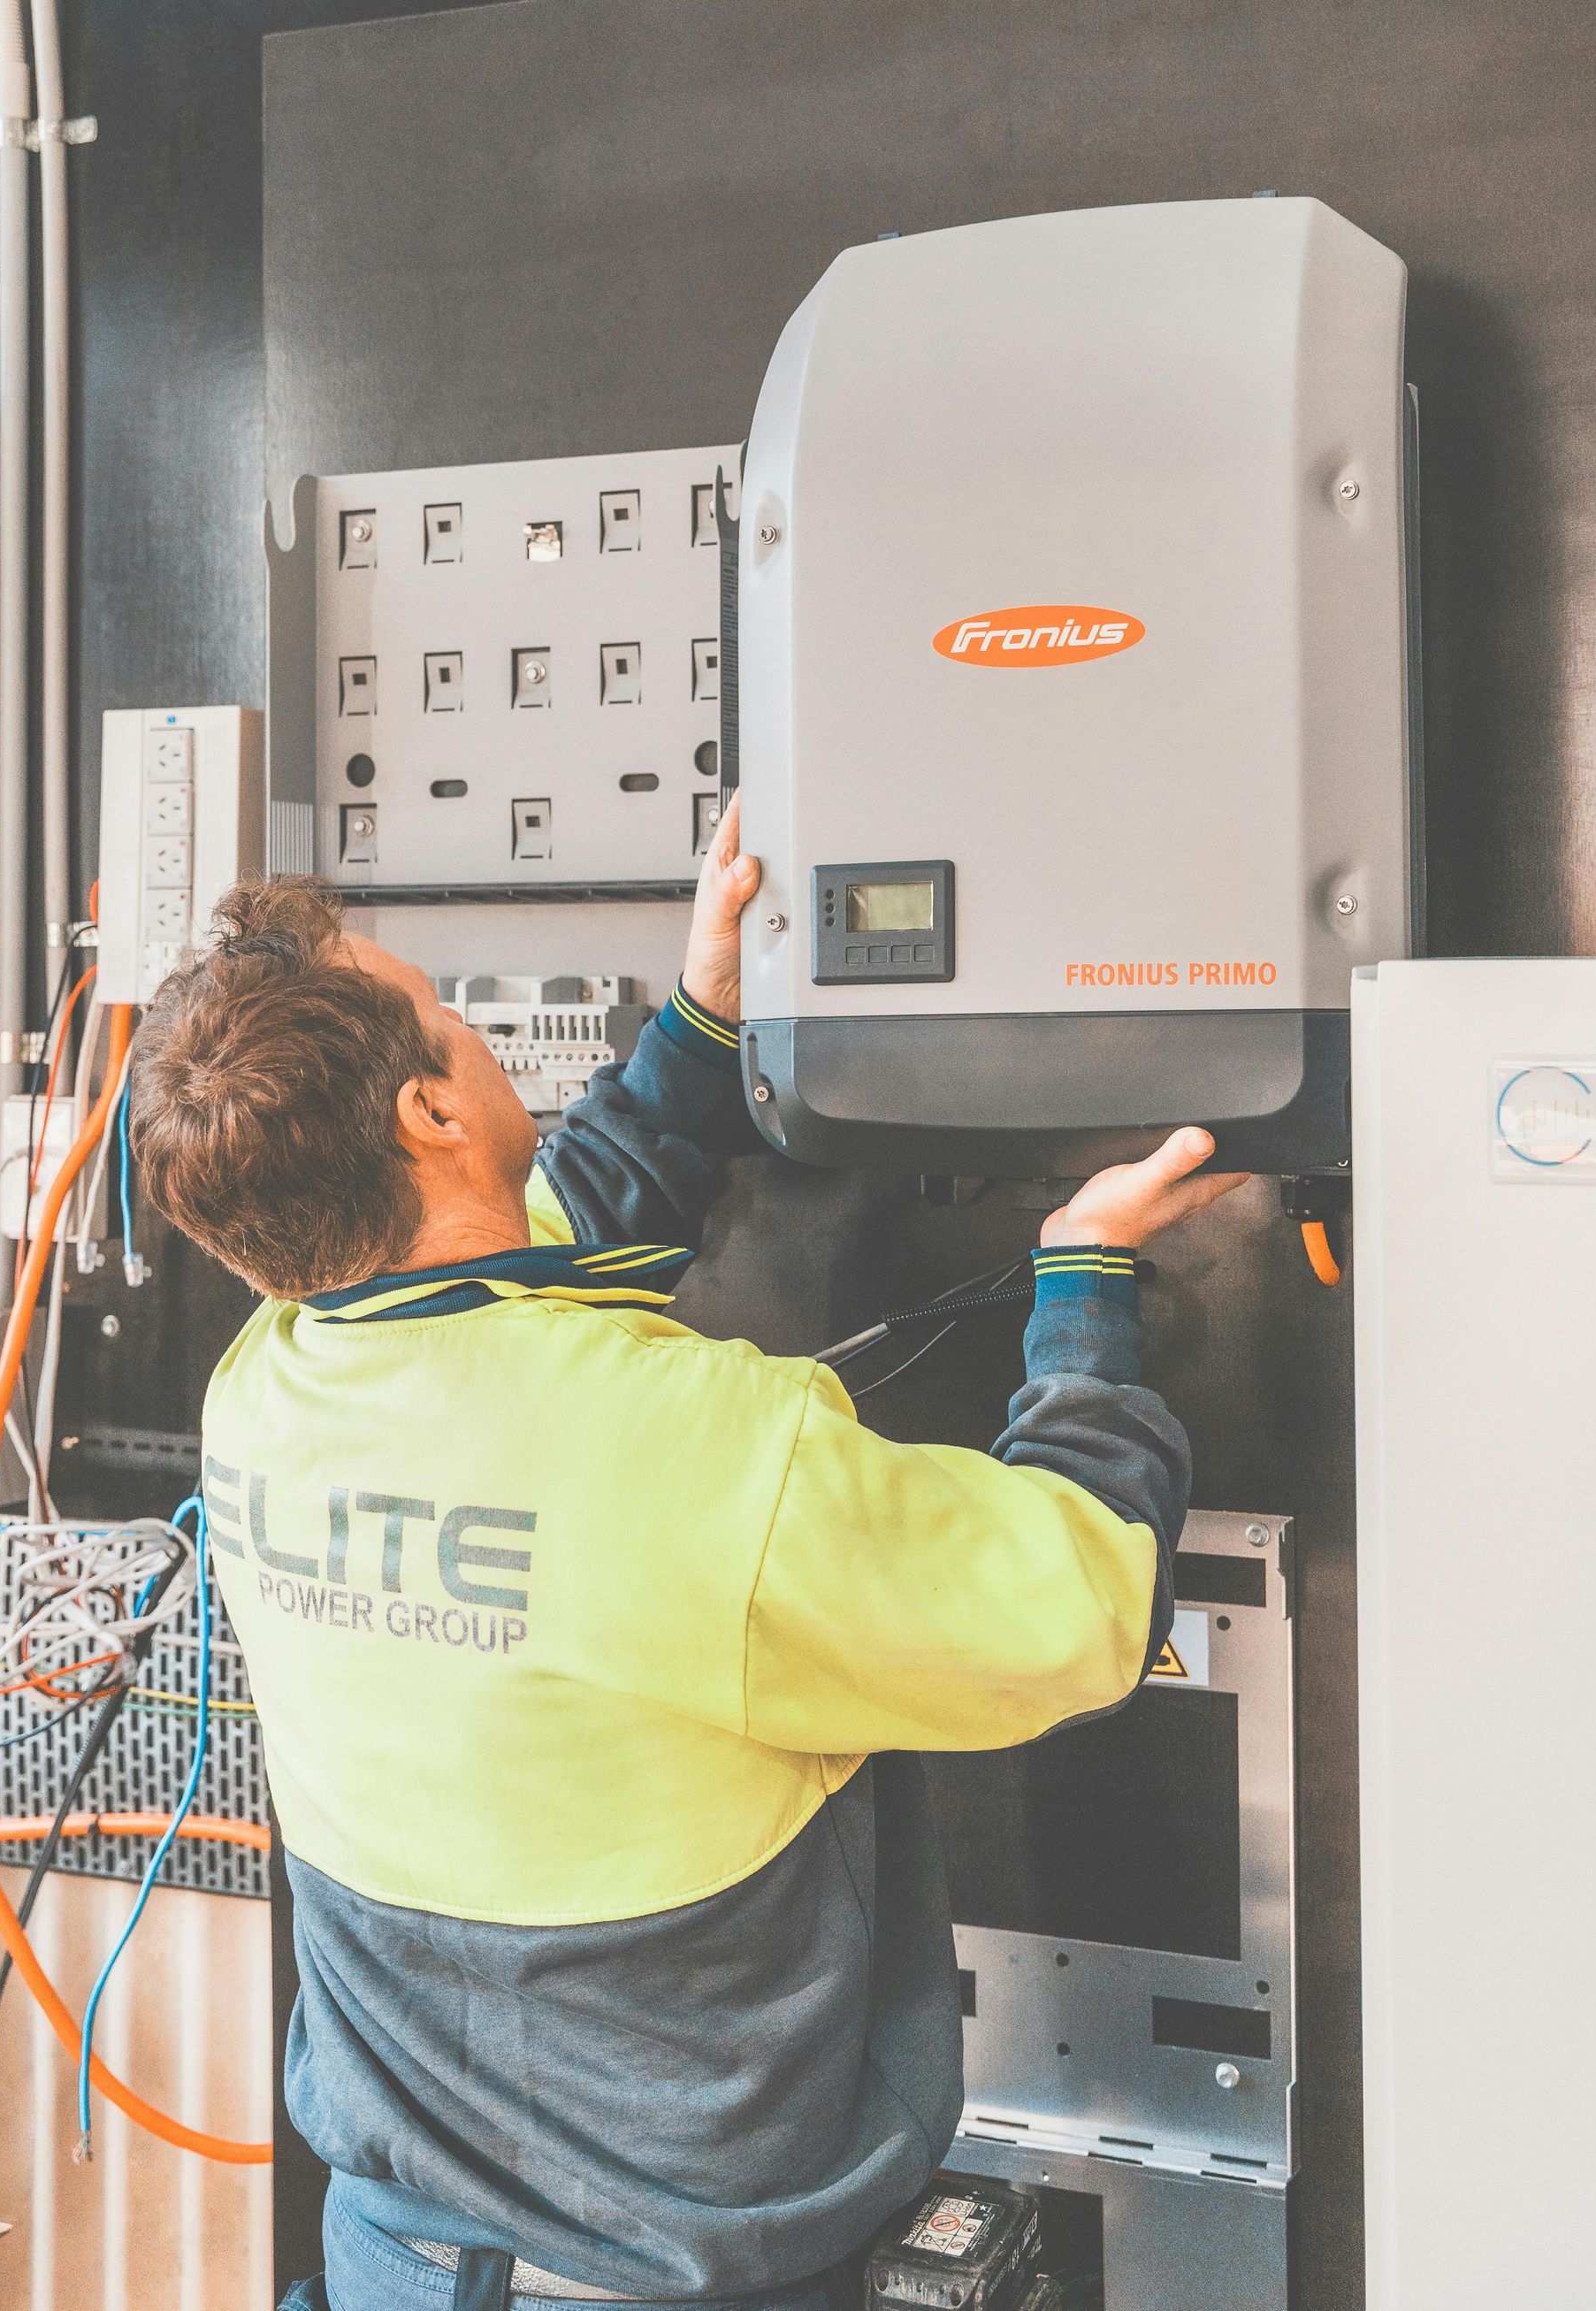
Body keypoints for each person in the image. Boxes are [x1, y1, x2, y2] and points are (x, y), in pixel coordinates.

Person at [128, 798, 1245, 2311]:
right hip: (663, 2276)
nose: (470, 1033)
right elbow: (1077, 1599)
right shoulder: (706, 1446)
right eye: (448, 1022)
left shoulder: (270, 1383)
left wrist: (702, 1023)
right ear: (433, 1119)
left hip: (390, 2253)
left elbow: (517, 1246)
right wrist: (1088, 1290)